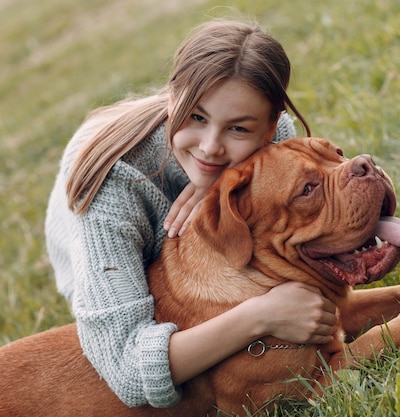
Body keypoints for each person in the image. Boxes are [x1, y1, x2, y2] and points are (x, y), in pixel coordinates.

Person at [44, 19, 338, 408]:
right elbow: (128, 370)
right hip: (117, 271)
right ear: (172, 99)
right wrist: (262, 316)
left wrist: (218, 189)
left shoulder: (272, 141)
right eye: (196, 118)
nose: (210, 148)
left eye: (237, 129)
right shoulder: (110, 188)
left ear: (269, 131)